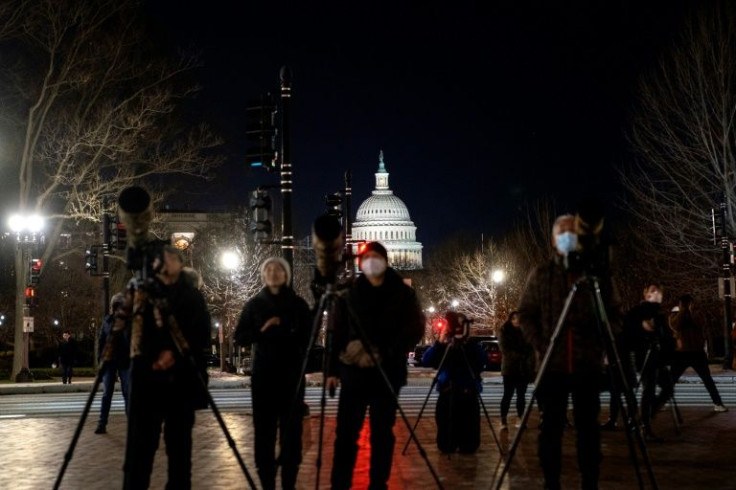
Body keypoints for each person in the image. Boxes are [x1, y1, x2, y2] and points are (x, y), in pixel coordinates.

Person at [518, 213, 621, 490]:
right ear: (553, 240)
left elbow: (613, 314)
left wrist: (601, 342)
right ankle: (551, 482)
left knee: (588, 431)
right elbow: (526, 314)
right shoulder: (542, 274)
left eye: (573, 232)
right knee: (550, 430)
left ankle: (590, 481)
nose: (567, 237)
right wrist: (541, 343)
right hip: (551, 364)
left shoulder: (595, 275)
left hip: (586, 365)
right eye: (562, 232)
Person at [327, 241, 425, 490]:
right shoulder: (348, 292)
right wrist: (332, 370)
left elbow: (414, 329)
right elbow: (335, 333)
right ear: (360, 262)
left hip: (387, 371)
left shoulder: (403, 293)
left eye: (376, 256)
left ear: (385, 260)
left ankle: (378, 484)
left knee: (383, 433)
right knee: (346, 434)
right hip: (354, 373)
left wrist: (385, 351)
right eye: (366, 256)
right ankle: (341, 484)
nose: (371, 261)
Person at [123, 246, 211, 490]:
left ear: (181, 265)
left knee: (180, 450)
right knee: (141, 449)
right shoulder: (143, 292)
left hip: (182, 381)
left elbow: (201, 333)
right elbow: (131, 331)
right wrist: (154, 355)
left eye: (171, 258)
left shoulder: (192, 295)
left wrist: (174, 354)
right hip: (148, 380)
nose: (165, 262)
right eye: (161, 258)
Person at [233, 257, 312, 490]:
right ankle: (267, 482)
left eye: (278, 269)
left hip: (291, 375)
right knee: (264, 433)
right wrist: (263, 329)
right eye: (269, 269)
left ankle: (289, 482)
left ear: (286, 274)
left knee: (291, 432)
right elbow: (240, 337)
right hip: (264, 376)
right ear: (263, 275)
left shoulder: (298, 305)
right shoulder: (254, 304)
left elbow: (308, 337)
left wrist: (286, 327)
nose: (273, 272)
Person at [603, 283, 675, 440]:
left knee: (667, 388)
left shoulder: (660, 313)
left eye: (659, 292)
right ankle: (644, 424)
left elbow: (666, 336)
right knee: (646, 390)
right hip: (642, 355)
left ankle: (644, 418)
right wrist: (643, 329)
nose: (656, 294)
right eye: (653, 291)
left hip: (657, 357)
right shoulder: (636, 312)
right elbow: (626, 333)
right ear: (645, 294)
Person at [421, 311, 486, 453]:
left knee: (469, 447)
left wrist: (470, 341)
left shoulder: (472, 346)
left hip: (468, 395)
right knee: (445, 446)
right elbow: (426, 361)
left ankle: (466, 443)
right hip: (447, 393)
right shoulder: (444, 346)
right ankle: (449, 442)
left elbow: (482, 362)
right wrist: (439, 342)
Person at [668, 294, 727, 413]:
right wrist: (682, 312)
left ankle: (718, 403)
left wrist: (689, 311)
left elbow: (700, 323)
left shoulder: (697, 314)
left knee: (707, 380)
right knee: (671, 380)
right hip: (682, 353)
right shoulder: (674, 315)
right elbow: (675, 326)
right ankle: (661, 401)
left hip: (697, 352)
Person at [95, 291, 132, 434]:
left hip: (124, 359)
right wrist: (100, 360)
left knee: (127, 392)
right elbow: (101, 341)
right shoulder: (107, 321)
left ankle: (131, 423)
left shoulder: (129, 321)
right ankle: (102, 423)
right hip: (109, 361)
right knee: (107, 393)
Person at [499, 310, 534, 430]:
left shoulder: (526, 332)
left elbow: (531, 348)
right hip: (510, 368)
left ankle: (521, 418)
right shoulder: (505, 332)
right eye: (514, 318)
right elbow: (505, 350)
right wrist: (521, 355)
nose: (516, 321)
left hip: (523, 369)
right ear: (510, 320)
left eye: (518, 318)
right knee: (507, 395)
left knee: (521, 396)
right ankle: (503, 420)